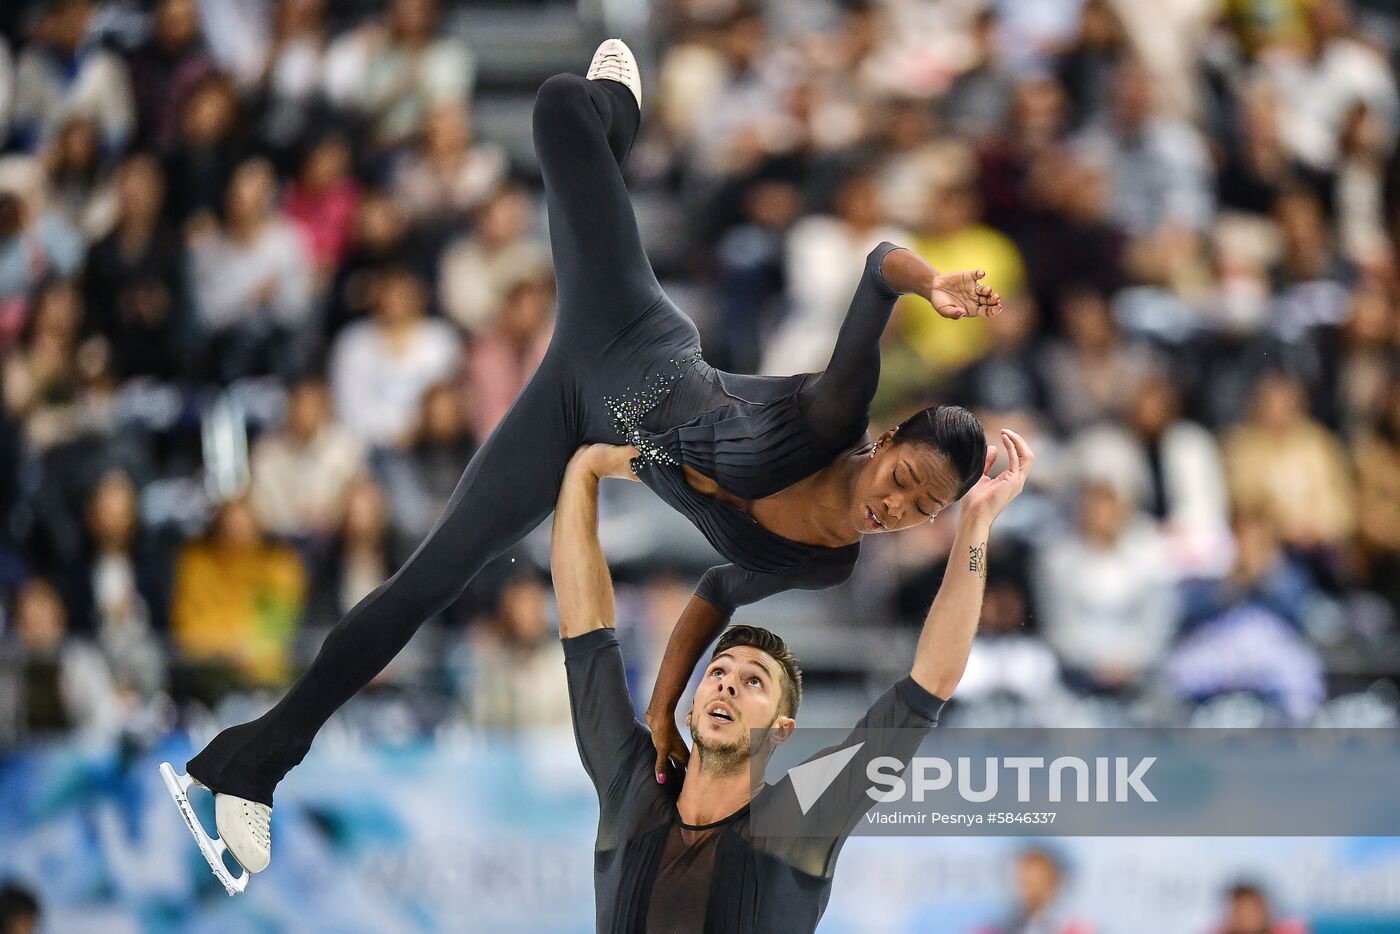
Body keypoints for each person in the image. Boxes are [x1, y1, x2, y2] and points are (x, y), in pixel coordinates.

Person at [166, 39, 1004, 887]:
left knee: (431, 580)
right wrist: (929, 282)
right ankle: (623, 115)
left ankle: (247, 769)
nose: (900, 508)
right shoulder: (833, 416)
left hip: (579, 431)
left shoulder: (826, 563)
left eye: (924, 509)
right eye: (905, 480)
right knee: (562, 102)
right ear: (887, 441)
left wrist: (663, 707)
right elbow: (875, 267)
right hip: (625, 333)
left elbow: (717, 591)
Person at [554, 430, 1032, 933]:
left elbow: (929, 684)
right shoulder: (632, 788)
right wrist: (584, 472)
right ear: (691, 709)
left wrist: (975, 523)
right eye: (717, 672)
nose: (727, 685)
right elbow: (584, 627)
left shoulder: (799, 819)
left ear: (783, 728)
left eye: (754, 681)